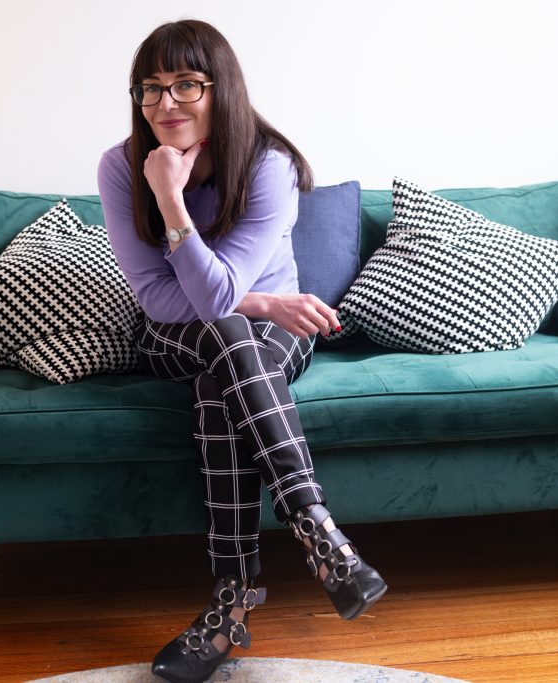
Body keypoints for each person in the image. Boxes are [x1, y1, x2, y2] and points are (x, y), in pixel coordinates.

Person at [97, 19, 387, 683]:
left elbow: (218, 292)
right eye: (150, 88)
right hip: (176, 329)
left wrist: (238, 301)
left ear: (219, 87)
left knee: (219, 379)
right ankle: (318, 528)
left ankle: (230, 607)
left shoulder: (267, 165)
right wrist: (169, 196)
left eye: (186, 85)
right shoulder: (122, 167)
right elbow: (166, 299)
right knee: (227, 330)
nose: (165, 103)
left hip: (267, 339)